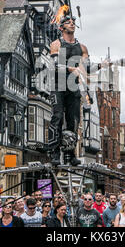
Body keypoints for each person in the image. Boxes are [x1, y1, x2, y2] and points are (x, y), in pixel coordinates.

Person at [47, 13, 91, 166]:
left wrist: (104, 65)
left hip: (73, 87)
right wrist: (71, 68)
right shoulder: (56, 44)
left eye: (73, 22)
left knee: (73, 121)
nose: (72, 24)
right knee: (57, 117)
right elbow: (55, 65)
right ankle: (54, 152)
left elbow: (87, 67)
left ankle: (70, 154)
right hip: (57, 85)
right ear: (61, 27)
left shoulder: (82, 48)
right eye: (68, 22)